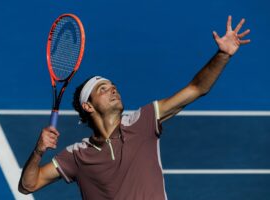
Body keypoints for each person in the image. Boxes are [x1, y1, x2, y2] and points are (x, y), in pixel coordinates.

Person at [18, 16, 250, 199]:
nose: (113, 89)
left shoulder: (143, 122)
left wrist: (222, 55)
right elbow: (28, 185)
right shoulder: (77, 156)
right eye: (103, 89)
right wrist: (38, 150)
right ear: (87, 106)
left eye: (113, 86)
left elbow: (197, 88)